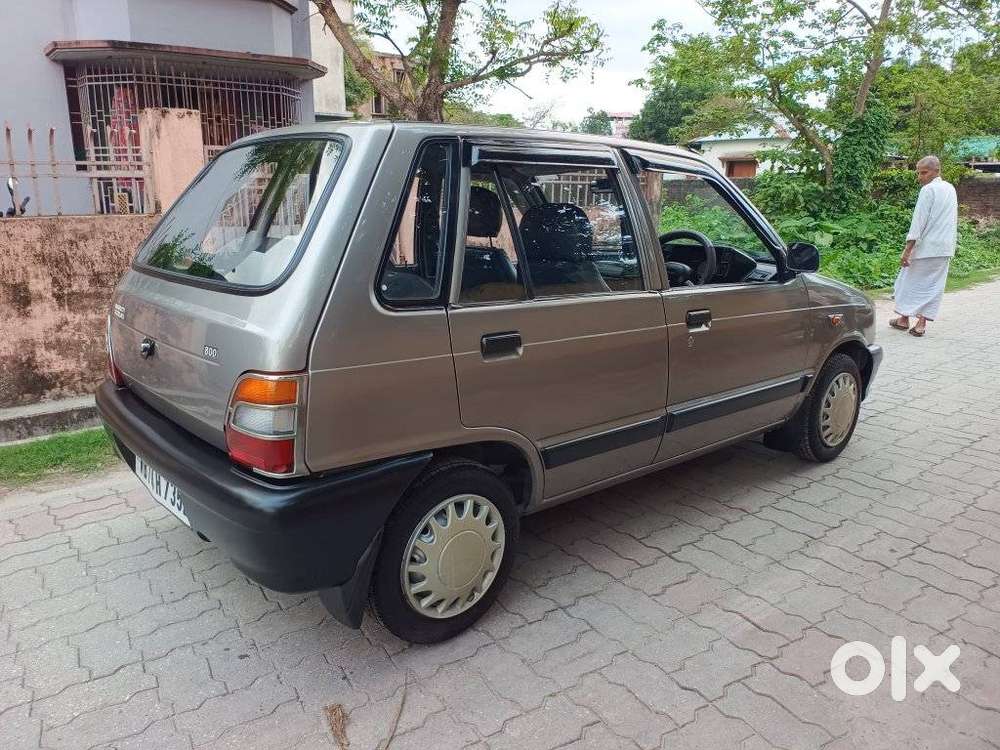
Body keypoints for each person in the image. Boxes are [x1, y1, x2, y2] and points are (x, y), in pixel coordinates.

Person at [889, 155, 958, 337]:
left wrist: (907, 250)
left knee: (907, 282)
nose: (920, 177)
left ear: (936, 171)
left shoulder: (928, 190)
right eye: (918, 173)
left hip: (926, 247)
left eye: (924, 172)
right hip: (945, 247)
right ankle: (917, 323)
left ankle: (905, 319)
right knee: (932, 286)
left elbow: (918, 222)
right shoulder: (950, 188)